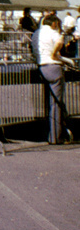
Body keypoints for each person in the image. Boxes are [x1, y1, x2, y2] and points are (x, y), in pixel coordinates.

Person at [36, 13, 69, 144]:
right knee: (56, 104)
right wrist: (55, 53)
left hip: (42, 66)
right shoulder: (53, 32)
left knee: (48, 102)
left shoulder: (36, 33)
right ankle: (56, 137)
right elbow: (60, 41)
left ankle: (50, 133)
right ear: (54, 23)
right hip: (54, 67)